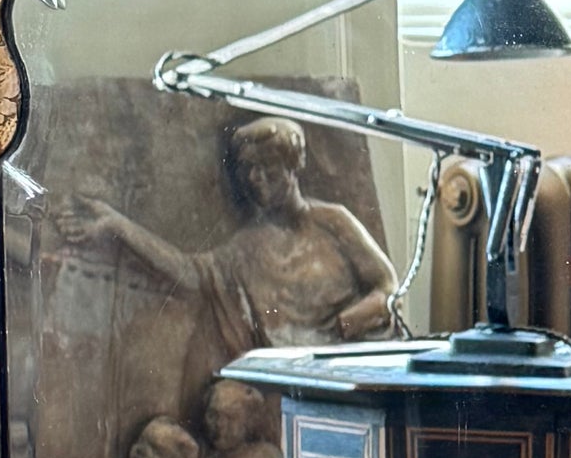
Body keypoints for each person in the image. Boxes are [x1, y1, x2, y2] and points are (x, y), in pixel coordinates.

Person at [77, 113, 397, 361]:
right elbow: (188, 272)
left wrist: (350, 322)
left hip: (351, 365)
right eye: (247, 168)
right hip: (288, 379)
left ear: (293, 165)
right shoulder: (247, 247)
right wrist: (118, 225)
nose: (256, 179)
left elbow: (388, 286)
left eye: (267, 166)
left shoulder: (332, 221)